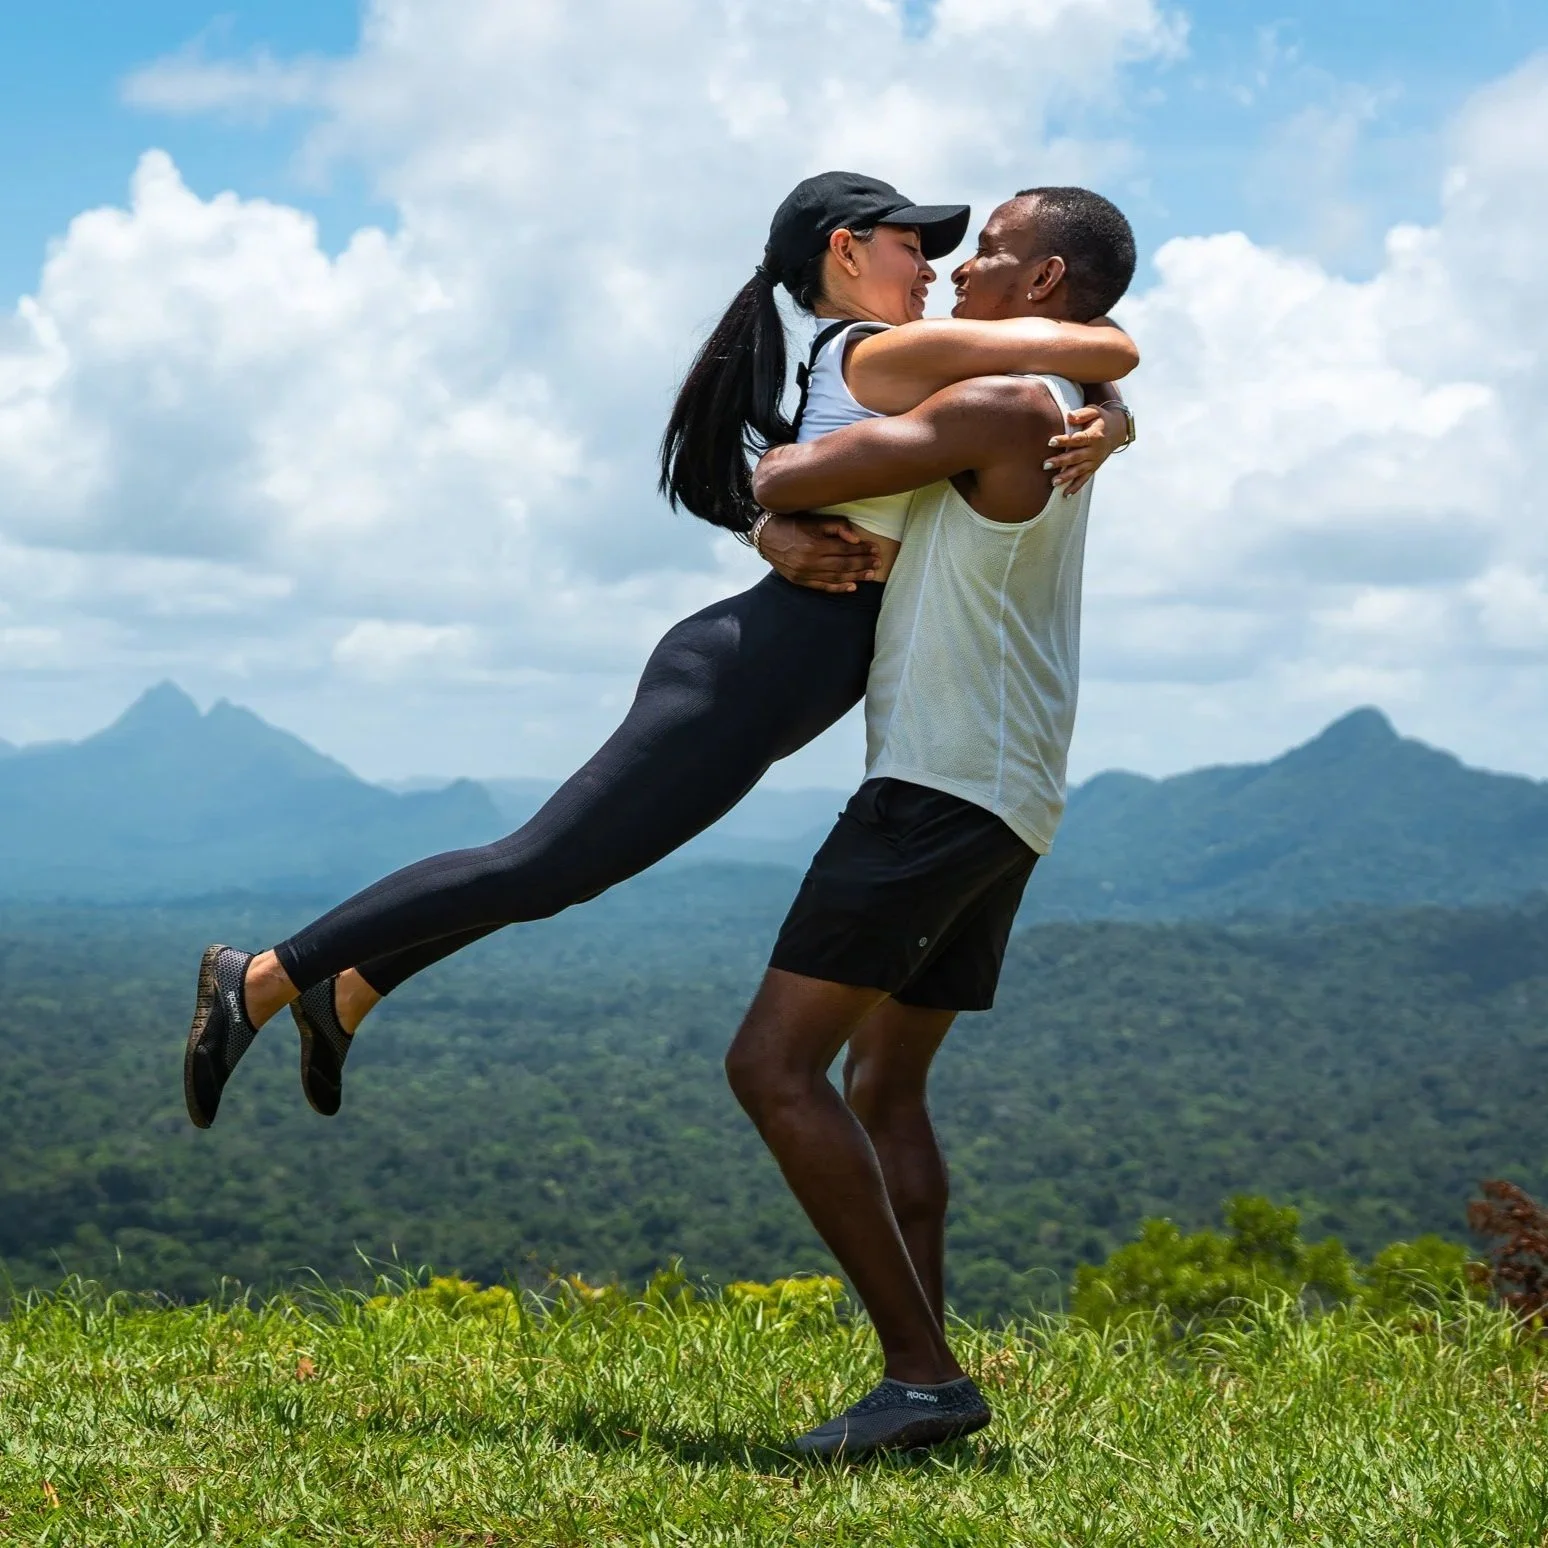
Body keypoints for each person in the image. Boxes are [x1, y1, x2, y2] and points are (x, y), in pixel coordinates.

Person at [182, 170, 1136, 1137]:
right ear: (844, 251)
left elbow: (1047, 380)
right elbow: (1093, 342)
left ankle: (346, 993)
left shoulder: (895, 361)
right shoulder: (885, 351)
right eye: (909, 245)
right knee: (534, 865)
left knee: (558, 873)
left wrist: (1111, 416)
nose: (931, 266)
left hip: (769, 678)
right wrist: (1115, 389)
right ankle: (258, 977)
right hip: (748, 670)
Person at [726, 186, 1139, 1457]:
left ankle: (919, 1375)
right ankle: (928, 1375)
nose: (961, 273)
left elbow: (796, 468)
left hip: (938, 786)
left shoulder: (1007, 409)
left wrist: (766, 501)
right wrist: (1119, 409)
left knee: (772, 1067)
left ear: (1050, 281)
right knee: (883, 1082)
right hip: (1009, 795)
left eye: (993, 257)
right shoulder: (1061, 409)